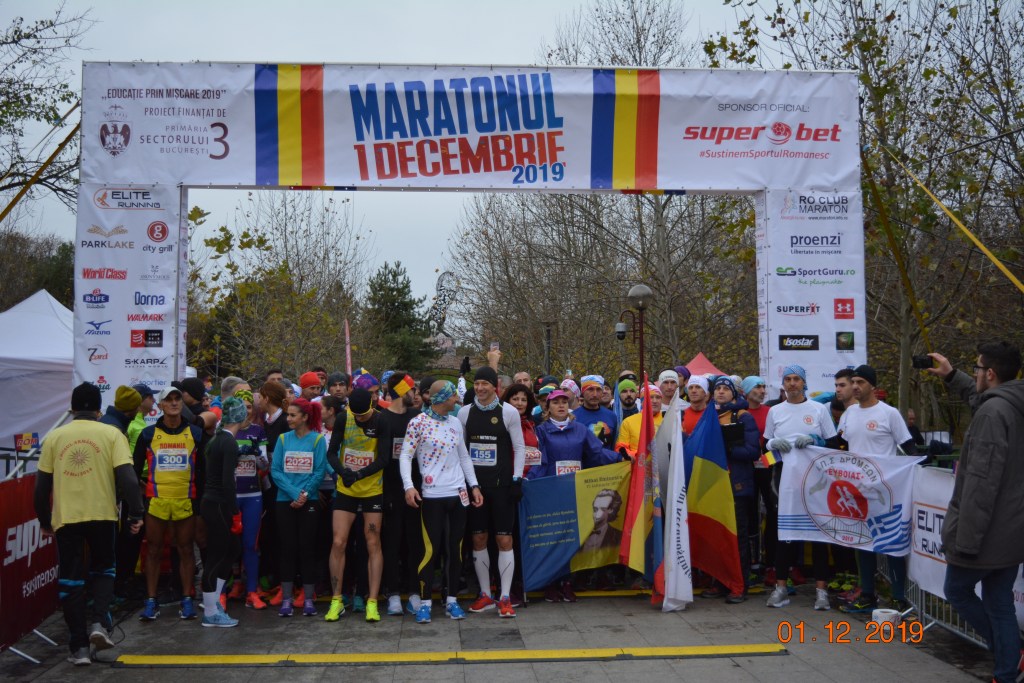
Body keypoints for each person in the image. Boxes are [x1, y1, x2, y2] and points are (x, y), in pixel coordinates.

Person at [931, 343, 1024, 683]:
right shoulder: (1011, 402)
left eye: (977, 369)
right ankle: (1007, 669)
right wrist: (952, 376)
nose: (975, 373)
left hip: (986, 532)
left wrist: (964, 541)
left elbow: (981, 485)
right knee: (999, 602)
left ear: (991, 373)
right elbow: (982, 397)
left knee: (957, 590)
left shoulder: (991, 414)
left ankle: (1010, 655)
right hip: (1011, 529)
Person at [35, 383, 145, 665]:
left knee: (71, 581)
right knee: (104, 570)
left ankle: (79, 648)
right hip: (103, 515)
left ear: (72, 408)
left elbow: (41, 487)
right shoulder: (111, 434)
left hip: (67, 518)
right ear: (99, 409)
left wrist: (44, 520)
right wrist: (136, 514)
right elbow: (129, 479)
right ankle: (99, 624)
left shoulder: (55, 437)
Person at [399, 380, 483, 624]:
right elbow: (405, 456)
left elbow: (464, 456)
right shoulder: (418, 423)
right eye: (452, 395)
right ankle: (425, 603)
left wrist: (474, 485)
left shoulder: (455, 422)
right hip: (432, 495)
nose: (456, 398)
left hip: (458, 494)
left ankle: (452, 600)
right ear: (442, 398)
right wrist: (408, 486)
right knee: (431, 550)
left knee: (455, 550)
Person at [527, 389, 622, 602]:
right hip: (552, 491)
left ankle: (567, 582)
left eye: (564, 401)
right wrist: (529, 481)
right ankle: (550, 583)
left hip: (575, 490)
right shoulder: (541, 431)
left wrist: (619, 458)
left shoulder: (580, 429)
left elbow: (596, 453)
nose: (561, 405)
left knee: (571, 538)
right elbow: (540, 461)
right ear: (547, 407)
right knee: (552, 538)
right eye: (555, 402)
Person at [836, 364, 916, 615]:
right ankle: (868, 595)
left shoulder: (889, 413)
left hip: (885, 490)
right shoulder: (849, 413)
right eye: (853, 382)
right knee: (863, 543)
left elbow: (909, 447)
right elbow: (839, 445)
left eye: (860, 382)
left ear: (873, 385)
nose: (855, 386)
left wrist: (920, 471)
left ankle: (899, 598)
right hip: (857, 491)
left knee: (891, 544)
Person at [763, 365, 838, 611]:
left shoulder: (818, 409)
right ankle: (781, 589)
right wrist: (773, 444)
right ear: (783, 384)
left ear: (804, 382)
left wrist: (816, 441)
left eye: (796, 379)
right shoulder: (775, 411)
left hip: (815, 482)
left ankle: (821, 592)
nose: (792, 383)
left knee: (818, 536)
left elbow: (833, 443)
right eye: (788, 379)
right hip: (785, 480)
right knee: (785, 534)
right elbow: (765, 446)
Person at [458, 366, 526, 619]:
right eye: (476, 384)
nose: (480, 388)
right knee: (478, 539)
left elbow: (519, 447)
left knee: (504, 540)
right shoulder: (465, 412)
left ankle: (505, 597)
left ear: (494, 386)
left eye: (484, 384)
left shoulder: (508, 412)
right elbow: (462, 451)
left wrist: (517, 479)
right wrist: (468, 483)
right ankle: (485, 593)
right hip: (476, 487)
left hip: (502, 487)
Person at [133, 386, 205, 621]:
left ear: (181, 403)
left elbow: (203, 472)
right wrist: (143, 494)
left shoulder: (196, 433)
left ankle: (187, 599)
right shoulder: (148, 434)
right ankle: (151, 600)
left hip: (186, 500)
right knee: (153, 550)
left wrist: (201, 505)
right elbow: (134, 470)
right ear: (161, 405)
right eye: (169, 399)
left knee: (186, 550)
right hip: (156, 502)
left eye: (177, 399)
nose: (174, 403)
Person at [324, 387, 387, 623]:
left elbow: (384, 458)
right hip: (346, 489)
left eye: (363, 415)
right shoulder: (343, 418)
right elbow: (332, 453)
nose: (359, 419)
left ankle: (372, 601)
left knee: (372, 542)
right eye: (356, 415)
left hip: (371, 490)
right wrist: (343, 472)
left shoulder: (381, 420)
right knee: (338, 542)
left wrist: (360, 474)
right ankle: (336, 600)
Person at [702, 377, 760, 604]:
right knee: (717, 536)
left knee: (738, 538)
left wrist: (727, 448)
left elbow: (753, 451)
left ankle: (739, 584)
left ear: (734, 394)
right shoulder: (709, 415)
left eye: (726, 389)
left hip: (737, 485)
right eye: (717, 388)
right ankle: (719, 581)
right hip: (714, 485)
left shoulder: (744, 417)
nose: (721, 392)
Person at [271, 397, 328, 617]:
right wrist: (295, 493)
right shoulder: (283, 439)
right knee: (287, 548)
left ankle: (308, 598)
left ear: (304, 417)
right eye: (288, 415)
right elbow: (276, 471)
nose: (289, 419)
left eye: (293, 415)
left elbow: (319, 471)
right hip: (285, 501)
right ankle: (286, 598)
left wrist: (303, 494)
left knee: (307, 548)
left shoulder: (317, 440)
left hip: (308, 501)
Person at [199, 397, 246, 627]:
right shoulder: (227, 442)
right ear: (241, 417)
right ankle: (210, 611)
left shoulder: (219, 439)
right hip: (218, 503)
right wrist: (234, 511)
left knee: (232, 549)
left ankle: (214, 601)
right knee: (216, 557)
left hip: (214, 502)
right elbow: (228, 482)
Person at [378, 373, 422, 616]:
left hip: (416, 489)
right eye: (412, 389)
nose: (415, 394)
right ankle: (393, 593)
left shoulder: (417, 416)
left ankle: (414, 591)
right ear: (401, 390)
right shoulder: (382, 418)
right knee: (392, 542)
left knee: (415, 542)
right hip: (390, 490)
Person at [229, 389, 269, 610]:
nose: (245, 411)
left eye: (249, 406)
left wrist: (256, 454)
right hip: (231, 495)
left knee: (250, 544)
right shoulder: (226, 430)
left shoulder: (257, 431)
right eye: (241, 407)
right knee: (230, 544)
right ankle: (235, 584)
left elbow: (265, 465)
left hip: (252, 494)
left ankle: (252, 591)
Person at [615, 384, 663, 458]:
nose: (655, 401)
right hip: (638, 463)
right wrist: (639, 455)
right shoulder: (628, 422)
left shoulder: (669, 420)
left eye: (658, 397)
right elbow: (620, 448)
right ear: (642, 402)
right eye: (650, 397)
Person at [573, 375, 618, 450]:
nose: (595, 394)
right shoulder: (573, 417)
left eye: (598, 390)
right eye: (590, 389)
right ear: (583, 392)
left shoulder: (611, 416)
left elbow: (613, 445)